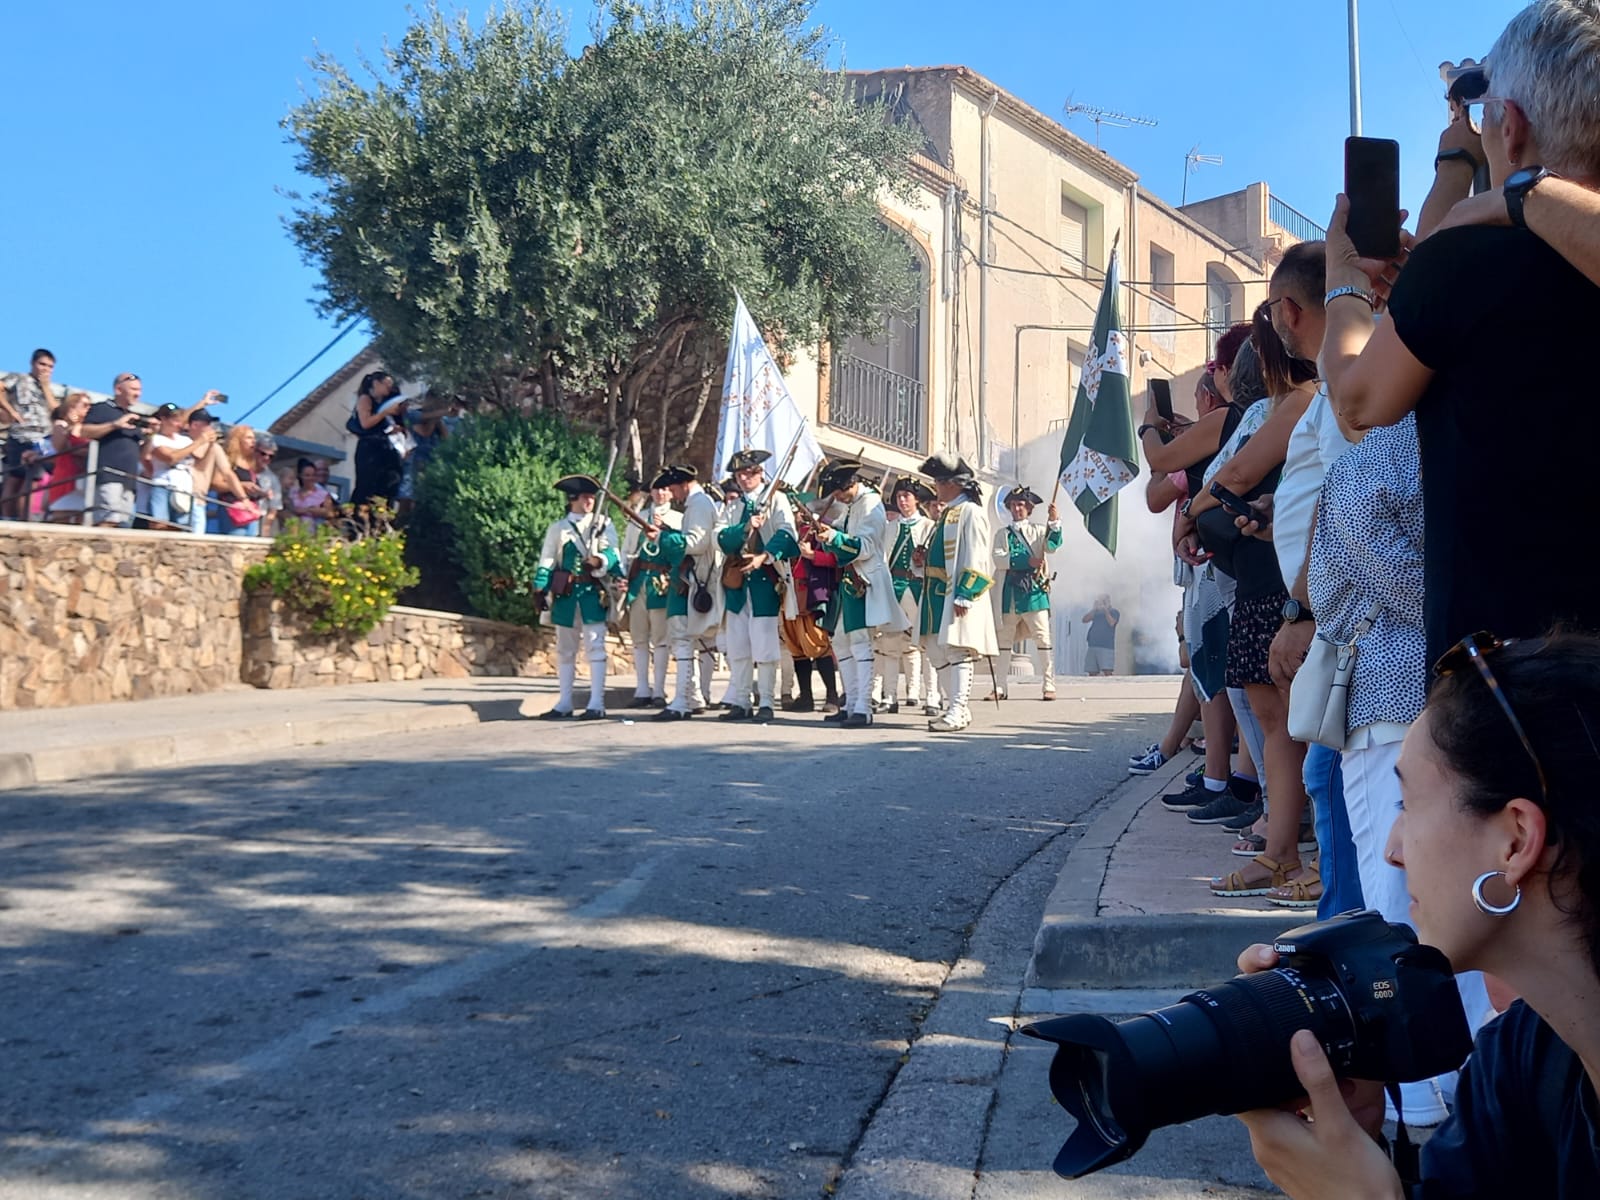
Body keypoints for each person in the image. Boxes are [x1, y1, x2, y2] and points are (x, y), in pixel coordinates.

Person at [1237, 630, 1600, 1197]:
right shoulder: (1522, 1056)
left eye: (1408, 804)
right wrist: (1364, 1150)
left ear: (1516, 842)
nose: (1392, 849)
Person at [1328, 0, 1600, 664]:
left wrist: (1344, 282)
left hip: (1504, 687)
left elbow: (1358, 402)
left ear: (1509, 126)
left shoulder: (1465, 265)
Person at [812, 460, 911, 728]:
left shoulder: (869, 504)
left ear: (849, 485)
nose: (837, 497)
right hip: (849, 579)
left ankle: (863, 707)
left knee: (859, 641)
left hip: (864, 579)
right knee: (841, 642)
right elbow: (844, 540)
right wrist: (828, 537)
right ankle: (851, 702)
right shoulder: (852, 505)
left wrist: (833, 537)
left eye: (838, 491)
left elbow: (865, 547)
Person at [715, 449, 802, 722]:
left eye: (750, 472)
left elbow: (788, 534)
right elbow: (721, 538)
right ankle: (741, 700)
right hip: (738, 582)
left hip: (765, 580)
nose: (744, 478)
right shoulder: (734, 507)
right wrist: (745, 527)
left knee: (765, 645)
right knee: (738, 646)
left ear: (760, 473)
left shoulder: (777, 500)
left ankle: (766, 701)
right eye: (740, 474)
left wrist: (765, 556)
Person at [917, 452, 998, 733]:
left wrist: (966, 592)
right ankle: (955, 708)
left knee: (958, 651)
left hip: (956, 593)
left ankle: (958, 709)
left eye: (940, 481)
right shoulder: (948, 513)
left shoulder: (971, 512)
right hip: (935, 594)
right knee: (936, 652)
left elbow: (977, 555)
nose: (936, 487)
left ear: (954, 483)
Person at [531, 475, 622, 720]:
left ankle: (596, 703)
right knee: (565, 651)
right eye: (586, 497)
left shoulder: (603, 523)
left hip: (593, 594)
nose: (590, 501)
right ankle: (564, 702)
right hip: (566, 596)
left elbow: (614, 554)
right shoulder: (558, 528)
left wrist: (600, 560)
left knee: (596, 648)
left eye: (592, 497)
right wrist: (540, 588)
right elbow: (547, 560)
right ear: (573, 499)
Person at [649, 463, 725, 721]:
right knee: (685, 640)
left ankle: (681, 702)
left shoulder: (700, 504)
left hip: (694, 580)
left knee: (682, 640)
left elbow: (696, 543)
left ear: (683, 485)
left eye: (673, 488)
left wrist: (662, 537)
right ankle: (692, 697)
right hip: (689, 578)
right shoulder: (697, 504)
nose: (673, 494)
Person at [988, 486, 1062, 699]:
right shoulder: (1002, 534)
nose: (1017, 508)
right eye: (1014, 505)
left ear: (1029, 509)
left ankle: (1049, 685)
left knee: (1042, 639)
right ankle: (1000, 687)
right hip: (1010, 593)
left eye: (1021, 505)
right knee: (1004, 641)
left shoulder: (1039, 531)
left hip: (1034, 592)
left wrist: (1054, 522)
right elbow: (998, 558)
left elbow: (1051, 546)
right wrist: (1026, 561)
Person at [876, 476, 937, 714]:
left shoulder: (928, 527)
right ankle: (889, 697)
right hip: (895, 587)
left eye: (906, 496)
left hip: (917, 588)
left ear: (916, 499)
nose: (902, 501)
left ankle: (931, 697)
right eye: (899, 497)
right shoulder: (889, 527)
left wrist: (922, 562)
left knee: (927, 645)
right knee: (890, 644)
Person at [623, 480, 680, 708]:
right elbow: (627, 551)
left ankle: (659, 690)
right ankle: (642, 689)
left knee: (661, 640)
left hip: (662, 584)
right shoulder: (639, 518)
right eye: (657, 488)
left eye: (665, 488)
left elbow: (680, 550)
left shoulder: (678, 519)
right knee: (639, 639)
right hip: (640, 583)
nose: (660, 493)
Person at [80, 372, 148, 527]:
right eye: (133, 389)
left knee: (123, 524)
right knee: (107, 520)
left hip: (130, 481)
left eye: (139, 390)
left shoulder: (134, 417)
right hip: (108, 476)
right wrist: (114, 425)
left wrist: (152, 436)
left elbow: (141, 453)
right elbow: (84, 431)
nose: (138, 394)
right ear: (118, 389)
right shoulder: (102, 409)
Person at [349, 371, 408, 508]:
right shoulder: (366, 399)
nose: (389, 387)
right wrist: (385, 413)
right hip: (370, 450)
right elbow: (366, 423)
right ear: (376, 383)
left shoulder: (385, 402)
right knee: (367, 486)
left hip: (385, 449)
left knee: (389, 483)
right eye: (387, 383)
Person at [144, 404, 205, 530]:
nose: (179, 424)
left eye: (180, 421)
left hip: (183, 486)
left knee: (180, 524)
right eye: (175, 420)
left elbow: (199, 455)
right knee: (159, 523)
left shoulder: (185, 440)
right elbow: (170, 458)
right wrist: (197, 443)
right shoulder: (156, 439)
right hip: (162, 484)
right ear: (164, 420)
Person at [41, 394, 93, 523]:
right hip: (66, 474)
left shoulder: (89, 427)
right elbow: (59, 447)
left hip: (83, 475)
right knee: (62, 514)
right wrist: (72, 426)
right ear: (72, 407)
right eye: (85, 405)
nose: (88, 409)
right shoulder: (61, 425)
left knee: (83, 517)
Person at [211, 425, 266, 536]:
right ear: (238, 440)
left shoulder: (251, 463)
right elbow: (216, 484)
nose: (253, 441)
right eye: (249, 438)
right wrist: (241, 485)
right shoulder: (227, 460)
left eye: (254, 438)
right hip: (233, 510)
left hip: (250, 511)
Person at [287, 457, 338, 528]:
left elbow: (330, 513)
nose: (311, 478)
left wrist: (309, 510)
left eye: (313, 475)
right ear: (300, 476)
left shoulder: (323, 494)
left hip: (314, 533)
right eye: (307, 475)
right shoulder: (293, 492)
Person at [1080, 595, 1120, 676]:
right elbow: (1084, 620)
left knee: (1107, 671)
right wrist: (1094, 609)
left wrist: (1105, 610)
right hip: (1093, 645)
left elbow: (1111, 623)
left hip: (1106, 646)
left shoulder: (1114, 612)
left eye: (1104, 601)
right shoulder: (1096, 612)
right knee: (1092, 671)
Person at [254, 432, 283, 536]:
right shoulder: (242, 470)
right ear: (254, 451)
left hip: (259, 520)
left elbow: (273, 508)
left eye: (270, 456)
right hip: (238, 516)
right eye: (263, 454)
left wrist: (265, 530)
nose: (266, 458)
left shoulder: (273, 479)